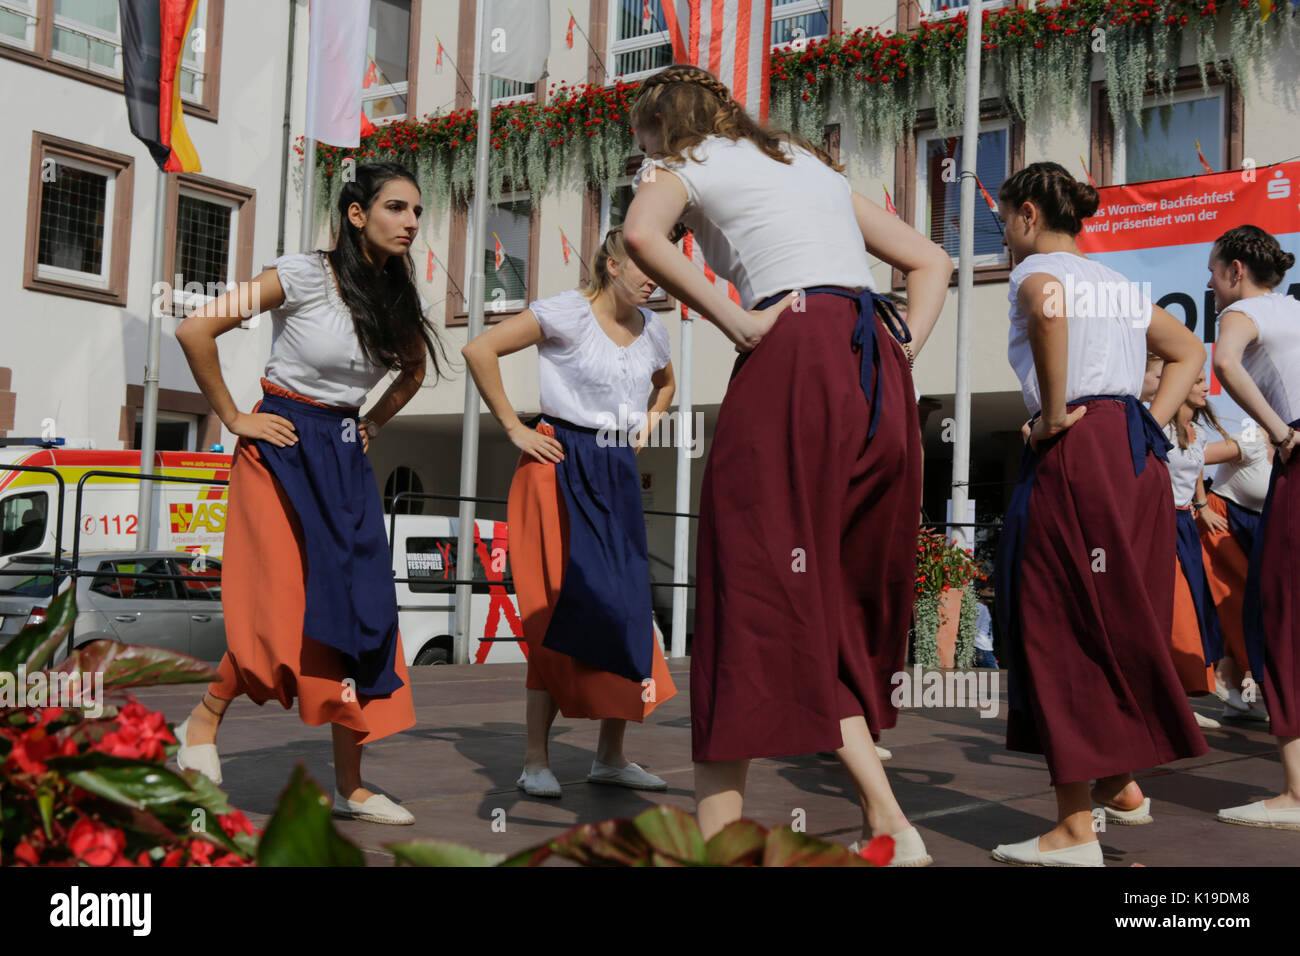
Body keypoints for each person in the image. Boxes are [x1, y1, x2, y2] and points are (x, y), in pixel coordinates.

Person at [624, 64, 953, 864]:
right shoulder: (807, 165)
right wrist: (903, 348)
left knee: (749, 585)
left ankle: (719, 847)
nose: (643, 156)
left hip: (793, 351)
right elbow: (934, 262)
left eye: (644, 141)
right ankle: (890, 823)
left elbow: (638, 236)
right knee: (823, 609)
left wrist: (733, 319)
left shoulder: (683, 164)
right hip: (875, 362)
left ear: (666, 126)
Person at [172, 162, 445, 824]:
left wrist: (372, 421)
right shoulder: (301, 275)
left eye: (416, 211)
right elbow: (195, 329)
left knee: (355, 607)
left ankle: (351, 785)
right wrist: (235, 417)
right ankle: (203, 723)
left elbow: (412, 370)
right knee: (285, 606)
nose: (411, 222)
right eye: (397, 208)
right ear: (359, 215)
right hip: (281, 446)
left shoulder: (397, 298)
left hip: (344, 456)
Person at [991, 161, 1209, 866]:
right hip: (1130, 453)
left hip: (1078, 448)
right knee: (1112, 609)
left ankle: (1074, 828)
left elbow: (1049, 307)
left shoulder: (1035, 272)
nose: (1004, 233)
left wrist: (1052, 415)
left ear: (1028, 214)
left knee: (1056, 617)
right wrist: (1148, 419)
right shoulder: (1116, 283)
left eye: (1003, 219)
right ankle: (1120, 781)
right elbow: (1187, 349)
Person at [462, 227, 678, 798]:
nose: (653, 275)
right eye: (642, 263)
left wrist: (645, 427)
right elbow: (478, 348)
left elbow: (666, 387)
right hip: (558, 462)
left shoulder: (653, 328)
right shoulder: (567, 312)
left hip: (614, 468)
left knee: (628, 608)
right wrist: (515, 428)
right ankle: (535, 760)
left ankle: (611, 756)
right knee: (558, 611)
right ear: (611, 263)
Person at [1206, 224, 1300, 830]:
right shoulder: (1292, 310)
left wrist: (1280, 430)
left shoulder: (1244, 310)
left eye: (1214, 273)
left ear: (1236, 270)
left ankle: (1296, 795)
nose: (1212, 287)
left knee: (1283, 615)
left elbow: (1222, 361)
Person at [1199, 421, 1274, 722]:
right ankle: (1222, 677)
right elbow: (1193, 456)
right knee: (1242, 604)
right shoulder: (1252, 438)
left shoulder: (1285, 444)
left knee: (1247, 607)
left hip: (1255, 528)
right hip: (1221, 521)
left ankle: (1237, 694)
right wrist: (1200, 504)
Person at [1163, 371, 1227, 717]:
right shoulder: (1160, 429)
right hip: (1159, 524)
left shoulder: (1198, 433)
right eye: (1198, 380)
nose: (1206, 386)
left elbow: (1196, 471)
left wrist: (1202, 506)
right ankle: (1171, 698)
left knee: (1197, 604)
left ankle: (1180, 695)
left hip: (1185, 523)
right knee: (1177, 610)